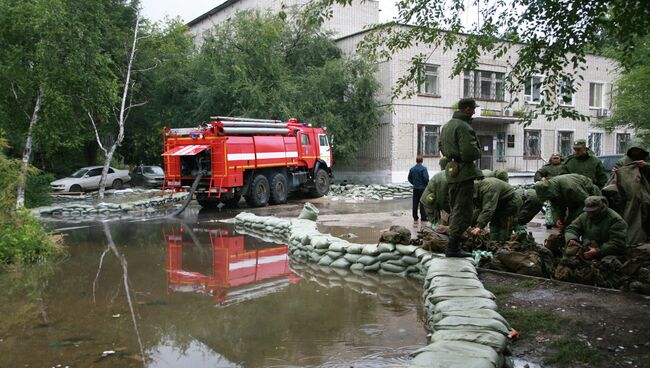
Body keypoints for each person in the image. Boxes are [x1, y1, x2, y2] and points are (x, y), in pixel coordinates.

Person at [439, 98, 483, 257]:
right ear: (466, 109)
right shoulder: (463, 126)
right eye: (472, 108)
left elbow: (442, 148)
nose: (473, 111)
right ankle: (453, 248)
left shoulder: (447, 126)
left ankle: (454, 245)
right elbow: (470, 152)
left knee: (455, 207)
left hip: (452, 171)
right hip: (464, 172)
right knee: (463, 210)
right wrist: (478, 152)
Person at [534, 173, 601, 231]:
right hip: (574, 202)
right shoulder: (551, 190)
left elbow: (585, 203)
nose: (549, 198)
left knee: (588, 222)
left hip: (591, 197)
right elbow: (556, 206)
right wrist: (558, 219)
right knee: (569, 225)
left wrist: (573, 222)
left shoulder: (569, 187)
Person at [470, 177, 522, 241]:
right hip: (498, 204)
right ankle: (494, 244)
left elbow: (488, 208)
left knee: (503, 228)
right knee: (494, 226)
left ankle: (503, 245)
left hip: (510, 202)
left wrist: (479, 226)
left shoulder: (488, 187)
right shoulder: (474, 189)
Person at [420, 158, 450, 226]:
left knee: (440, 221)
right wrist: (449, 210)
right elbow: (442, 198)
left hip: (431, 200)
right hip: (429, 201)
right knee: (435, 223)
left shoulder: (443, 174)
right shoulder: (444, 177)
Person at [408, 156, 429, 222]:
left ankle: (415, 217)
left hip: (415, 188)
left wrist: (414, 183)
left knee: (415, 202)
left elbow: (409, 178)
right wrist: (426, 184)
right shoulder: (423, 169)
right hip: (422, 188)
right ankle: (423, 217)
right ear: (422, 161)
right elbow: (426, 178)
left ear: (416, 161)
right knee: (422, 203)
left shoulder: (412, 169)